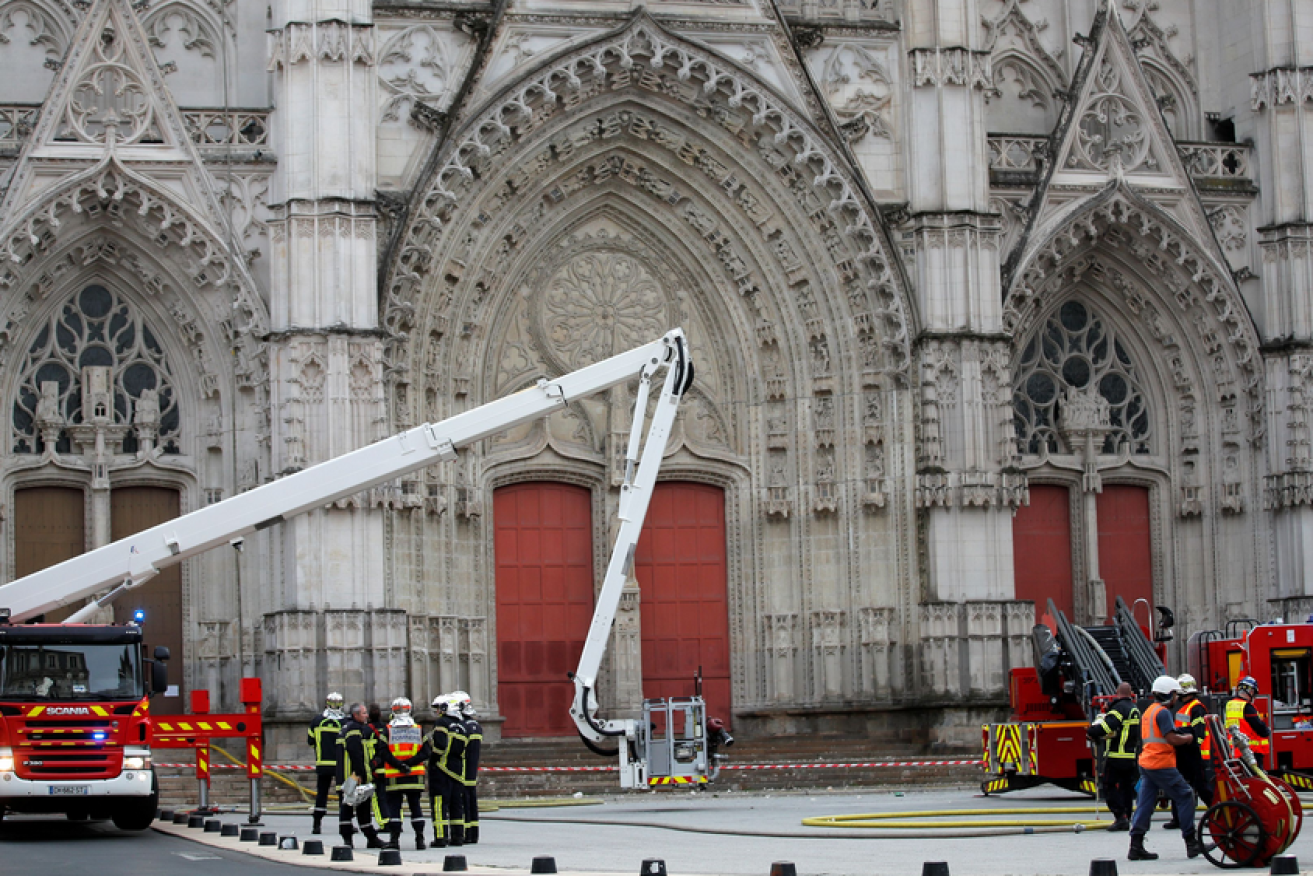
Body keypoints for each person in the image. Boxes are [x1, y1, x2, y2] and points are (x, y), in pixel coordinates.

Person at [1127, 675, 1203, 862]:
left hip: (1147, 763)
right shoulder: (1163, 713)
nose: (1176, 697)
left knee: (1145, 803)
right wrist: (1189, 738)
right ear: (1170, 694)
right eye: (1175, 693)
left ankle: (1135, 846)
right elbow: (1171, 739)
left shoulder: (1149, 711)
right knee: (1185, 795)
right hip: (1161, 763)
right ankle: (1191, 842)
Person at [1086, 682, 1139, 832]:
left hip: (1116, 756)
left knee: (1109, 785)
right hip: (1130, 756)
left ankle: (1120, 816)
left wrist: (1092, 731)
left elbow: (1107, 727)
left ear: (1117, 693)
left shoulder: (1119, 708)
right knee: (1126, 788)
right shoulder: (1134, 709)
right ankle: (1127, 816)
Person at [380, 697, 428, 850]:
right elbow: (426, 751)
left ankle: (394, 841)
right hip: (415, 774)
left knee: (395, 809)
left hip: (395, 775)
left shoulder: (387, 730)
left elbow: (382, 752)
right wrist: (410, 763)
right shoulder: (419, 729)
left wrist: (399, 765)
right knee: (416, 807)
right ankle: (420, 840)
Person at [336, 702, 386, 849]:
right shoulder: (354, 729)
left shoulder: (347, 727)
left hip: (347, 777)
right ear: (356, 715)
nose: (367, 716)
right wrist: (361, 774)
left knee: (359, 808)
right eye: (364, 713)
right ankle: (351, 840)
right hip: (353, 778)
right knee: (350, 809)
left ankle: (369, 838)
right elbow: (355, 753)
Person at [1167, 673, 1214, 829]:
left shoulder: (1197, 708)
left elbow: (1198, 733)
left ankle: (1216, 815)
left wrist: (1180, 735)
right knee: (1178, 786)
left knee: (1202, 788)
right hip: (1183, 753)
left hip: (1193, 754)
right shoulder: (1185, 707)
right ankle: (1178, 819)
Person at [427, 694, 467, 848]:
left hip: (441, 770)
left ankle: (440, 837)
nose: (438, 711)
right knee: (456, 805)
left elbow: (439, 746)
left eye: (439, 708)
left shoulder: (441, 723)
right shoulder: (462, 727)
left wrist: (433, 760)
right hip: (457, 771)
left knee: (439, 805)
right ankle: (458, 836)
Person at [307, 691, 345, 835]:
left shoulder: (316, 721)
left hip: (323, 763)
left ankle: (316, 824)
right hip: (340, 765)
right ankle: (344, 824)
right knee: (342, 794)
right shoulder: (345, 722)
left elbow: (311, 742)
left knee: (321, 794)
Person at [1225, 675, 1271, 769]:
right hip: (1250, 752)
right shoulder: (1247, 707)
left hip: (1236, 751)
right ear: (1250, 691)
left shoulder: (1230, 704)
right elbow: (1259, 727)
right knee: (1256, 780)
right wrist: (1267, 731)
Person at [456, 692, 483, 844]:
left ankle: (467, 833)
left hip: (462, 770)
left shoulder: (462, 727)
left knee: (464, 802)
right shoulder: (477, 727)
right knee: (472, 801)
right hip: (472, 771)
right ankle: (474, 833)